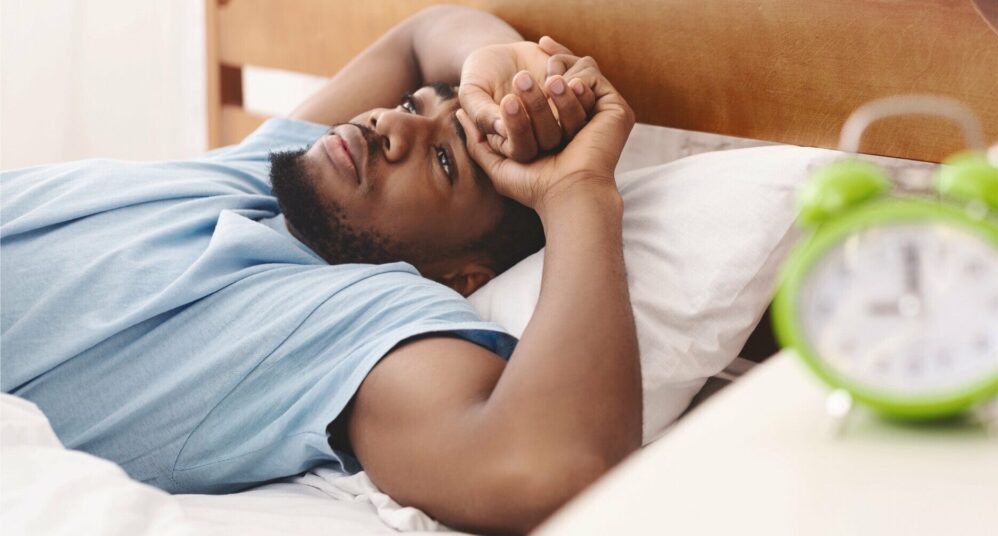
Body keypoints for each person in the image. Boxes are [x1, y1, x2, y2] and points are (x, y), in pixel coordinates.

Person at [0, 5, 639, 534]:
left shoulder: (353, 320)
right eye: (414, 106)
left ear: (463, 277)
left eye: (444, 162)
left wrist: (579, 191)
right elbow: (422, 38)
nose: (391, 124)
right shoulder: (263, 179)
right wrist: (498, 60)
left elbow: (544, 464)